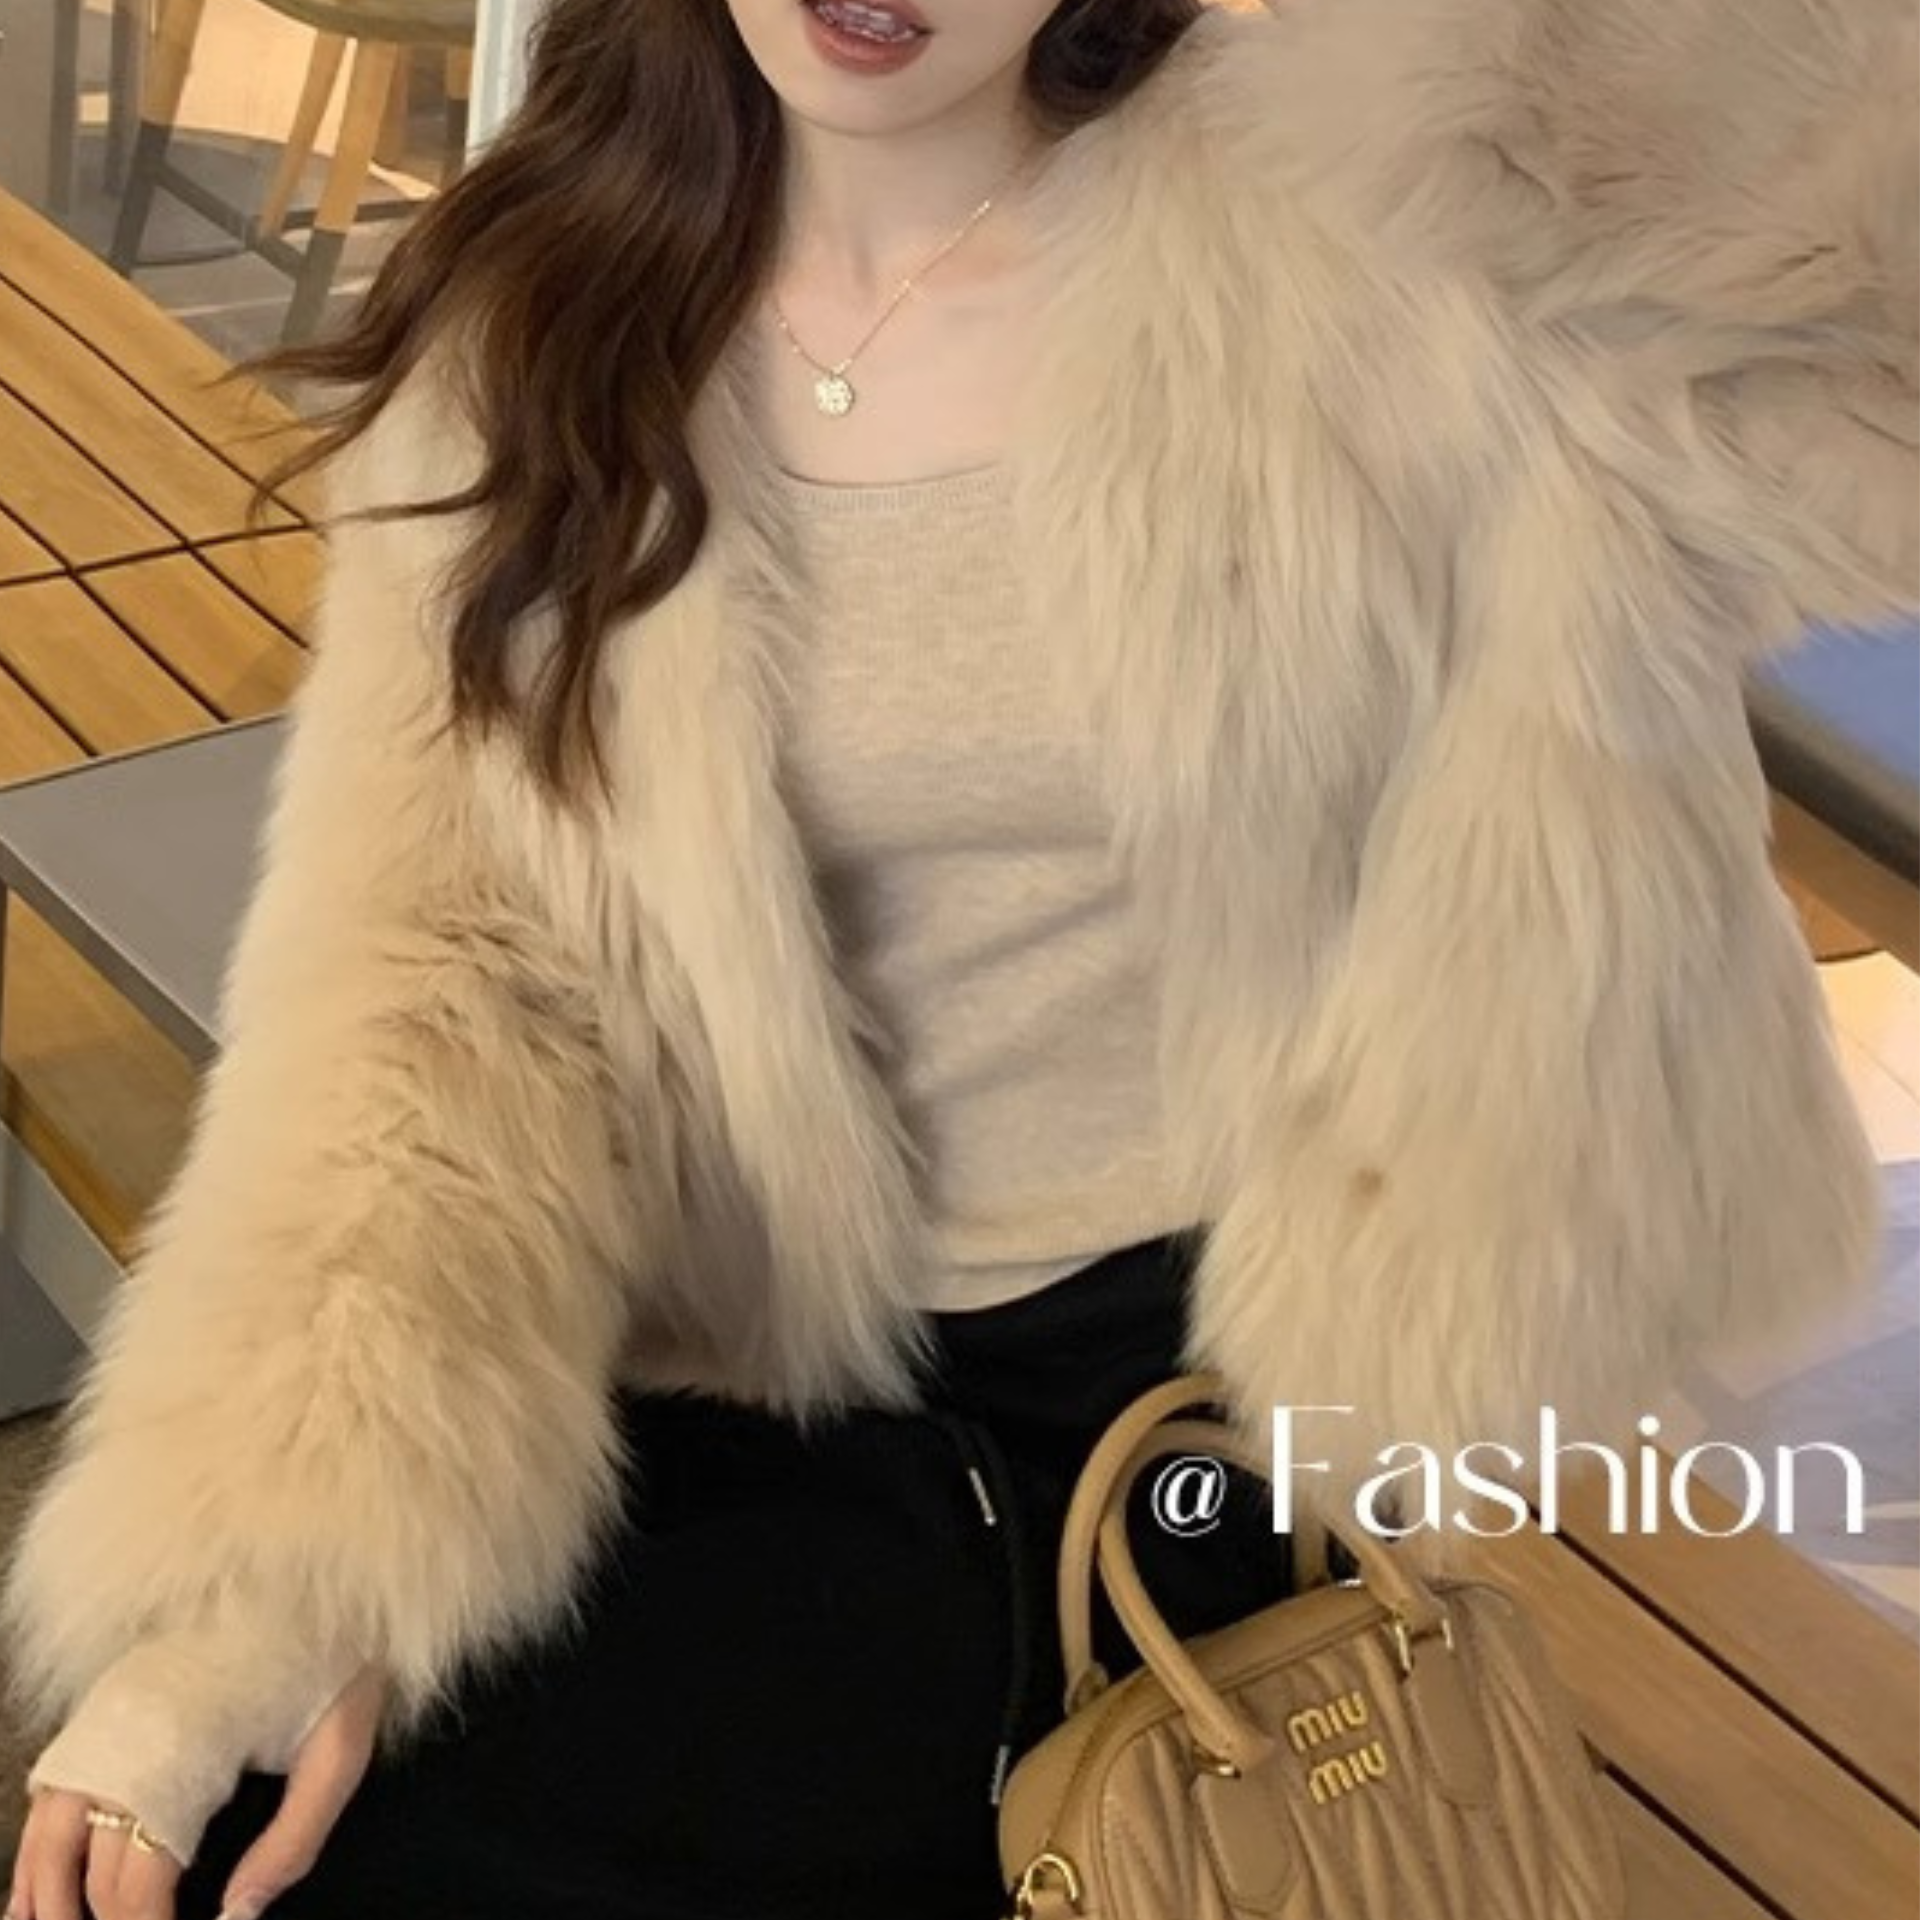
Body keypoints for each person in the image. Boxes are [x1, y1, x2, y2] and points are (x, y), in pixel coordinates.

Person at [4, 0, 1914, 1914]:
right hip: (740, 1367)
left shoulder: (1379, 245)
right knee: (259, 1842)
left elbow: (1871, 371)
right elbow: (445, 987)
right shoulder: (540, 313)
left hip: (1204, 1385)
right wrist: (274, 1582)